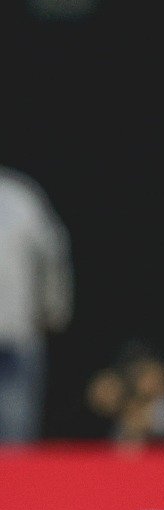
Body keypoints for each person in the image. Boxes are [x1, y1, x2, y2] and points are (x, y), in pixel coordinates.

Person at [0, 165, 73, 443]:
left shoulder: (19, 196)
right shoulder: (21, 194)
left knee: (15, 421)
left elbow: (51, 252)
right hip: (18, 328)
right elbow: (53, 251)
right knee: (14, 419)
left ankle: (12, 484)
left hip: (16, 330)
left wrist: (54, 308)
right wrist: (54, 310)